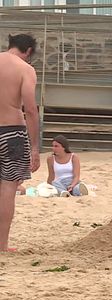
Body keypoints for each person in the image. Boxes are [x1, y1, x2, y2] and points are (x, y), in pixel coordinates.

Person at [0, 34, 40, 252]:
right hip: (11, 131)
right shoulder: (25, 69)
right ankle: (2, 244)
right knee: (8, 186)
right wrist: (35, 147)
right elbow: (31, 110)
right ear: (29, 51)